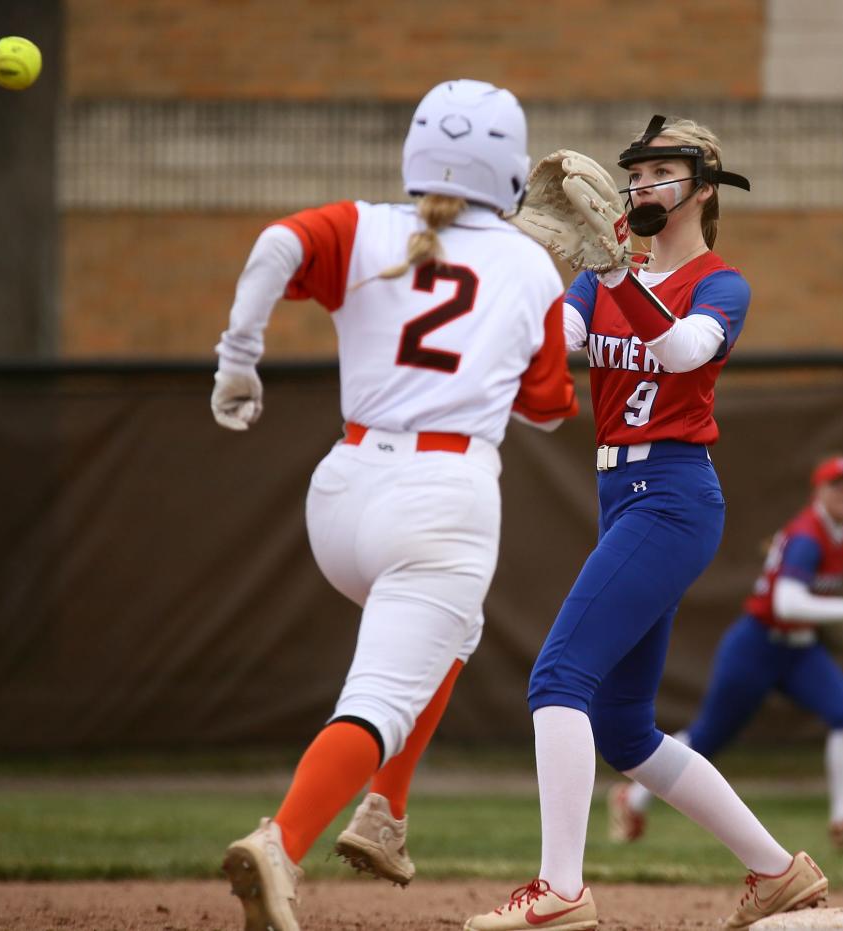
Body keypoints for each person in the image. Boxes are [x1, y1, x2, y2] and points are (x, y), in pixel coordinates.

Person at [210, 78, 578, 931]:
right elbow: (550, 409)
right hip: (440, 504)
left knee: (456, 631)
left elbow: (274, 245)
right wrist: (563, 318)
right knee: (376, 700)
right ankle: (281, 842)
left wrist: (239, 356)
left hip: (340, 493)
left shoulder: (368, 225)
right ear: (511, 171)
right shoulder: (529, 265)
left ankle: (386, 811)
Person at [465, 116, 827, 931]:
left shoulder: (719, 283)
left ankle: (561, 889)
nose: (642, 182)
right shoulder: (600, 278)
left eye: (665, 169)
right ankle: (777, 872)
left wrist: (615, 271)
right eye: (638, 169)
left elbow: (681, 353)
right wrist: (516, 272)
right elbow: (554, 338)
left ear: (703, 187)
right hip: (620, 499)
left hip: (673, 495)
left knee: (558, 678)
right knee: (625, 730)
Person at [609, 454, 843, 851]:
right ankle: (632, 798)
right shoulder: (808, 537)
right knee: (709, 734)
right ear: (818, 490)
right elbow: (786, 605)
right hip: (757, 646)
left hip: (798, 650)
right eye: (836, 485)